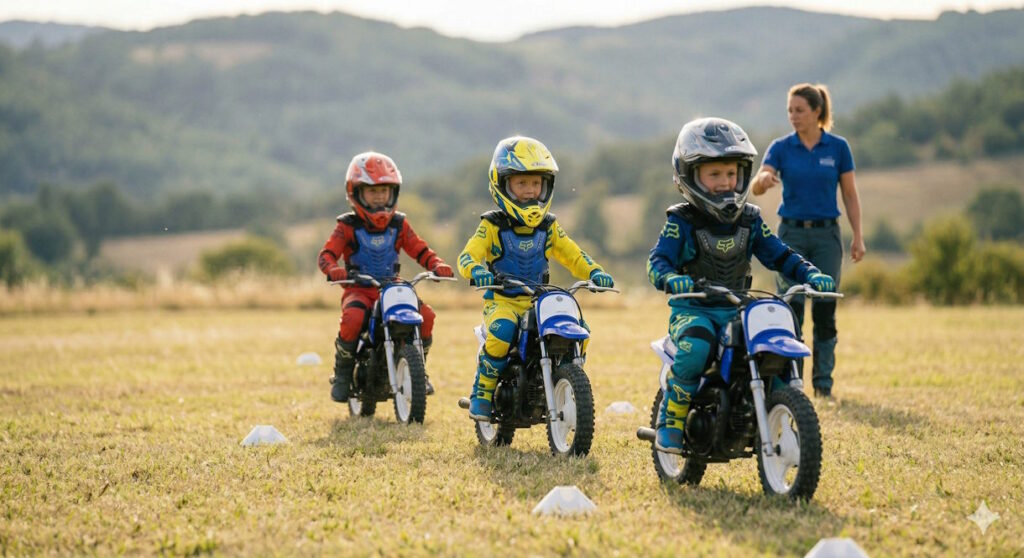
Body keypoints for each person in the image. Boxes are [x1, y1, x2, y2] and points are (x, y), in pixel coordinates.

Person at [647, 117, 835, 454]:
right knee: (697, 347)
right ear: (689, 175)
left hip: (737, 307)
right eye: (714, 174)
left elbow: (779, 253)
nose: (725, 182)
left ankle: (775, 408)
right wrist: (670, 278)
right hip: (694, 310)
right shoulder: (682, 221)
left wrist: (809, 272)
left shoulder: (750, 219)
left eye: (731, 173)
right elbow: (657, 261)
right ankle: (671, 419)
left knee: (776, 340)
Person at [457, 136, 615, 421]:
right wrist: (476, 271)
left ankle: (564, 380)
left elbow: (573, 255)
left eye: (536, 182)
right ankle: (482, 391)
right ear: (502, 184)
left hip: (539, 302)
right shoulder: (492, 225)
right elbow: (467, 256)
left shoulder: (549, 227)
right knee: (503, 331)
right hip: (503, 303)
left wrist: (595, 272)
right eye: (522, 183)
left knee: (581, 330)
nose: (530, 190)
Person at [749, 83, 865, 398]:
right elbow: (757, 185)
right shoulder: (781, 147)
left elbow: (850, 194)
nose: (793, 116)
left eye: (799, 110)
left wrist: (858, 236)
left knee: (825, 308)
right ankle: (791, 384)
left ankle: (823, 384)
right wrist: (763, 180)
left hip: (827, 235)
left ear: (817, 111)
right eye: (790, 110)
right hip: (791, 235)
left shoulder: (838, 148)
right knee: (791, 308)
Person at [318, 151, 454, 403]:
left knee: (426, 316)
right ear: (356, 192)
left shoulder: (399, 224)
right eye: (373, 191)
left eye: (385, 190)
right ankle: (343, 375)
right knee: (353, 318)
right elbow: (326, 255)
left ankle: (418, 372)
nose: (380, 196)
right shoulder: (347, 226)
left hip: (393, 288)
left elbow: (419, 249)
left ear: (394, 192)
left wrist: (436, 264)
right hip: (359, 289)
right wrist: (333, 269)